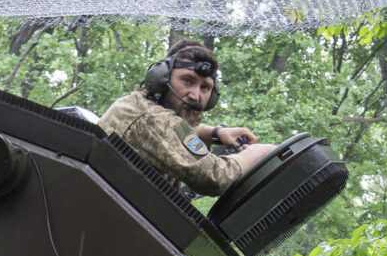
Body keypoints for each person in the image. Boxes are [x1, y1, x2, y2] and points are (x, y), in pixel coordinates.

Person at [97, 40, 277, 197]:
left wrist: (215, 133)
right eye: (188, 81)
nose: (195, 95)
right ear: (161, 78)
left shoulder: (137, 105)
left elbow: (175, 131)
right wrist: (260, 152)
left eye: (205, 88)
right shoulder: (152, 118)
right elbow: (214, 177)